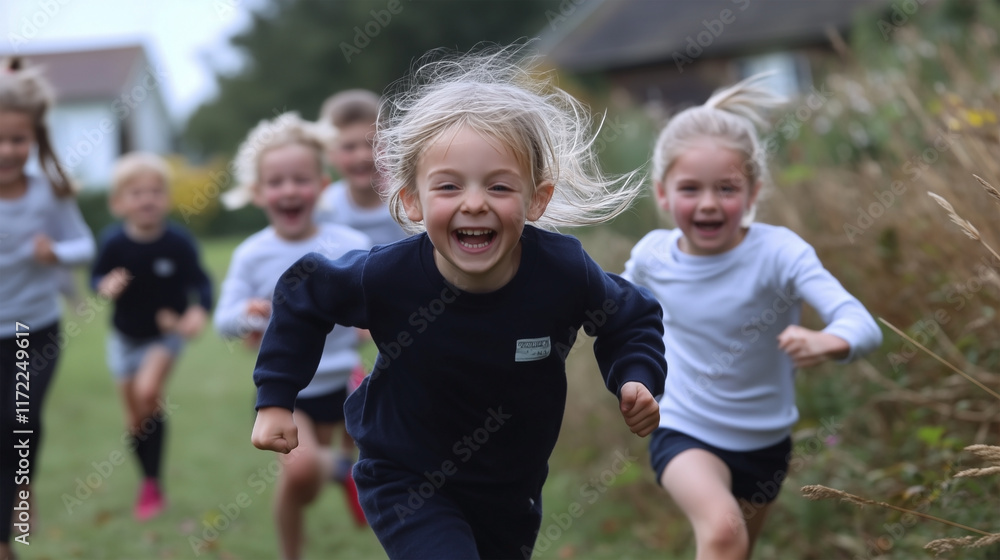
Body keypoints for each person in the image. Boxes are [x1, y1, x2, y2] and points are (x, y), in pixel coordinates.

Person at [250, 46, 668, 559]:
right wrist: (276, 397)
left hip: (511, 490)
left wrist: (635, 377)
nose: (474, 202)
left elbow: (632, 315)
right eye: (448, 186)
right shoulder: (389, 276)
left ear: (536, 199)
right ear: (412, 201)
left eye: (498, 185)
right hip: (405, 478)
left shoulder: (561, 272)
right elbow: (303, 293)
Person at [622, 74, 883, 559]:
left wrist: (832, 340)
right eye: (690, 188)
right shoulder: (651, 257)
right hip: (683, 426)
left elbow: (861, 323)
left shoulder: (780, 253)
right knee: (724, 534)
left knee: (733, 549)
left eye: (726, 188)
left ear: (753, 190)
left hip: (765, 444)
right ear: (662, 194)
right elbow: (616, 314)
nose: (708, 203)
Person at [216, 112, 370, 560]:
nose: (288, 190)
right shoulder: (252, 254)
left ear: (322, 185)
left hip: (345, 387)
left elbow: (381, 301)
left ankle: (342, 483)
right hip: (288, 393)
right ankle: (338, 479)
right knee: (302, 473)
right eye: (276, 182)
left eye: (300, 179)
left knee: (307, 482)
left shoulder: (350, 242)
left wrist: (368, 322)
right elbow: (222, 320)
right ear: (258, 192)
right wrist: (246, 316)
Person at [0, 57, 95, 560]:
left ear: (33, 139)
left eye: (17, 140)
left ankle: (20, 494)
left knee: (19, 421)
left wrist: (54, 253)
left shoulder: (47, 194)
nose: (8, 150)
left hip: (29, 330)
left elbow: (85, 245)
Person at [90, 152, 212, 521]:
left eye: (155, 191)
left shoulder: (177, 242)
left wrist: (197, 311)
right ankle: (151, 484)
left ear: (167, 197)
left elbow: (202, 283)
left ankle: (152, 486)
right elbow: (96, 278)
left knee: (148, 393)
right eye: (136, 192)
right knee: (136, 420)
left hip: (164, 337)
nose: (147, 199)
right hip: (124, 339)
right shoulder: (114, 243)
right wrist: (106, 285)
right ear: (118, 203)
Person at [314, 88, 408, 246]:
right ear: (330, 154)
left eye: (372, 143)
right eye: (349, 147)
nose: (362, 156)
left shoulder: (409, 204)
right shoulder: (323, 210)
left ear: (387, 143)